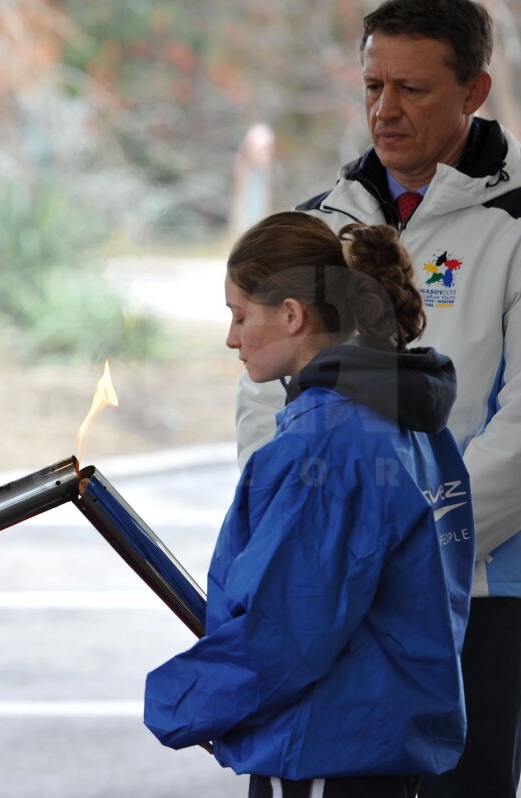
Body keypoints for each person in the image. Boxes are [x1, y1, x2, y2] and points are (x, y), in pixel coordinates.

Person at [238, 1, 521, 795]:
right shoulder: (316, 222)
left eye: (413, 88)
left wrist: (403, 546)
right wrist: (313, 540)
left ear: (475, 90)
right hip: (320, 584)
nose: (384, 109)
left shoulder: (515, 225)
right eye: (372, 85)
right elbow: (263, 399)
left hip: (477, 589)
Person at [148, 211, 475, 798]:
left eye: (240, 315)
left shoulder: (323, 444)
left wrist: (176, 701)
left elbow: (288, 631)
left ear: (292, 315)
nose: (231, 338)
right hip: (379, 749)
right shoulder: (412, 421)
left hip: (326, 753)